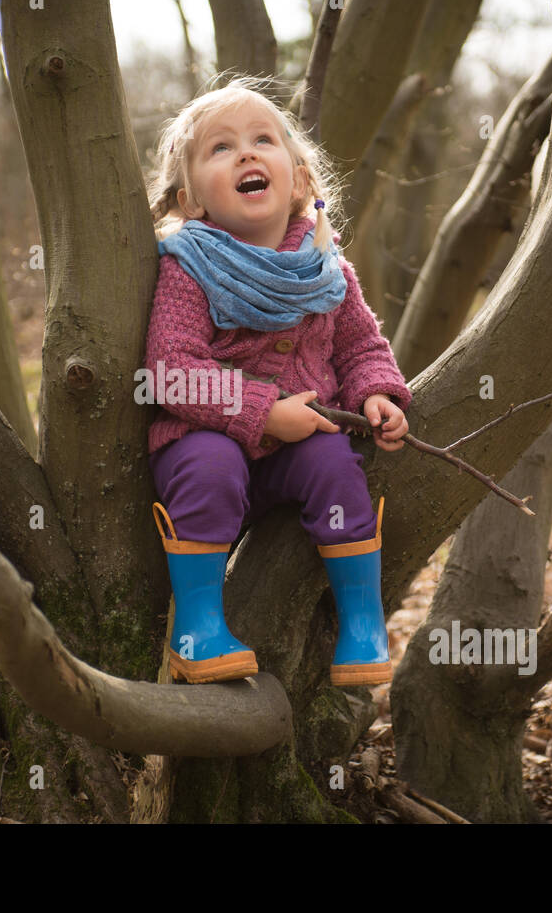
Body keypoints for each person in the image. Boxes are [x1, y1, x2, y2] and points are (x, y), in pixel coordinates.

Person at [143, 75, 413, 687]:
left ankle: (362, 623)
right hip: (205, 447)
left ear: (298, 178)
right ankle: (199, 629)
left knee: (335, 464)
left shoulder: (325, 267)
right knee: (209, 465)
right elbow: (172, 372)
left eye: (263, 140)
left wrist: (376, 394)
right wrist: (264, 412)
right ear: (191, 201)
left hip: (294, 453)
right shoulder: (189, 268)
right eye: (220, 148)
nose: (246, 153)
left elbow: (361, 345)